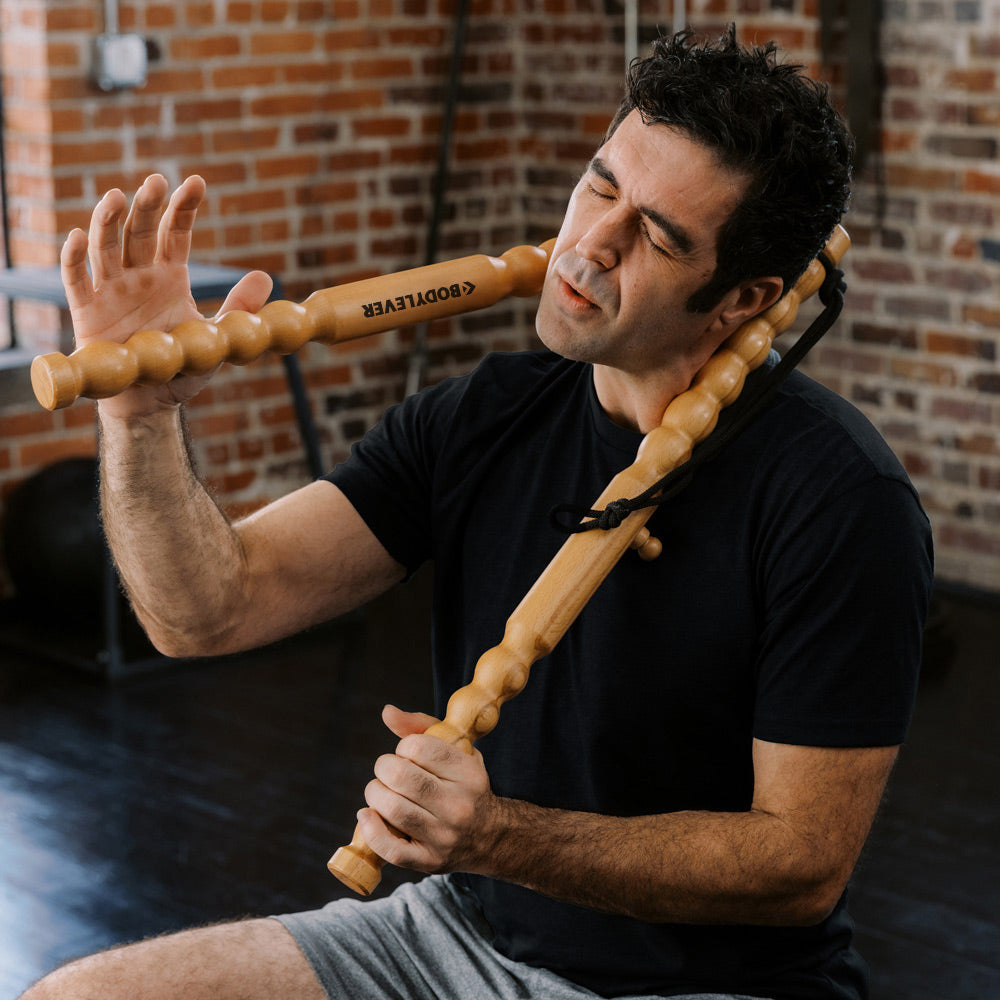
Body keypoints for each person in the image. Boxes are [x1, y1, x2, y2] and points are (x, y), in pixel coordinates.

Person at [23, 27, 932, 1000]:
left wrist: (498, 835)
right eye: (600, 185)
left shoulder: (841, 501)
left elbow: (799, 867)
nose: (591, 243)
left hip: (707, 984)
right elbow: (205, 609)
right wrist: (141, 414)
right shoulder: (481, 417)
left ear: (740, 299)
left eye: (656, 236)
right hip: (456, 932)